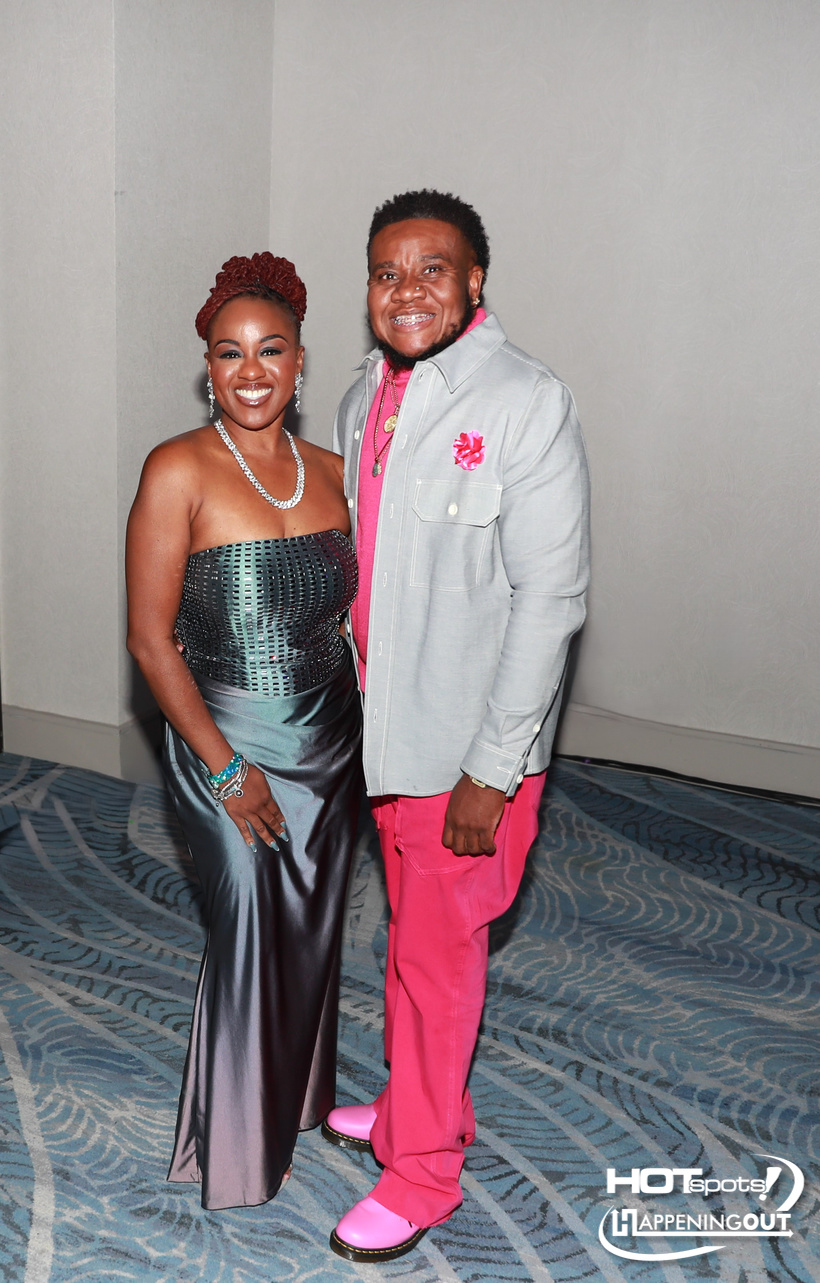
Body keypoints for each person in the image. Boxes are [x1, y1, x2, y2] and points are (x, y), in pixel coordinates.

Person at [324, 191, 590, 1262]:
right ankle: (409, 1112)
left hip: (466, 757)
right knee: (410, 949)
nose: (408, 291)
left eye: (433, 269)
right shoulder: (359, 399)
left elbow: (552, 599)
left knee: (438, 968)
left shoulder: (526, 401)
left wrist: (494, 766)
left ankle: (423, 1172)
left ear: (475, 281)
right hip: (387, 741)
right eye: (388, 272)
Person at [125, 253, 362, 1210]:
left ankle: (300, 1094)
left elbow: (353, 618)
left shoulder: (340, 474)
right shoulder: (177, 468)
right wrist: (227, 772)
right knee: (251, 926)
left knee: (311, 926)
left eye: (271, 351)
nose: (251, 371)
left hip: (330, 737)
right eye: (230, 354)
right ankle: (230, 1151)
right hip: (224, 736)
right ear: (208, 368)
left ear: (302, 363)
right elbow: (149, 640)